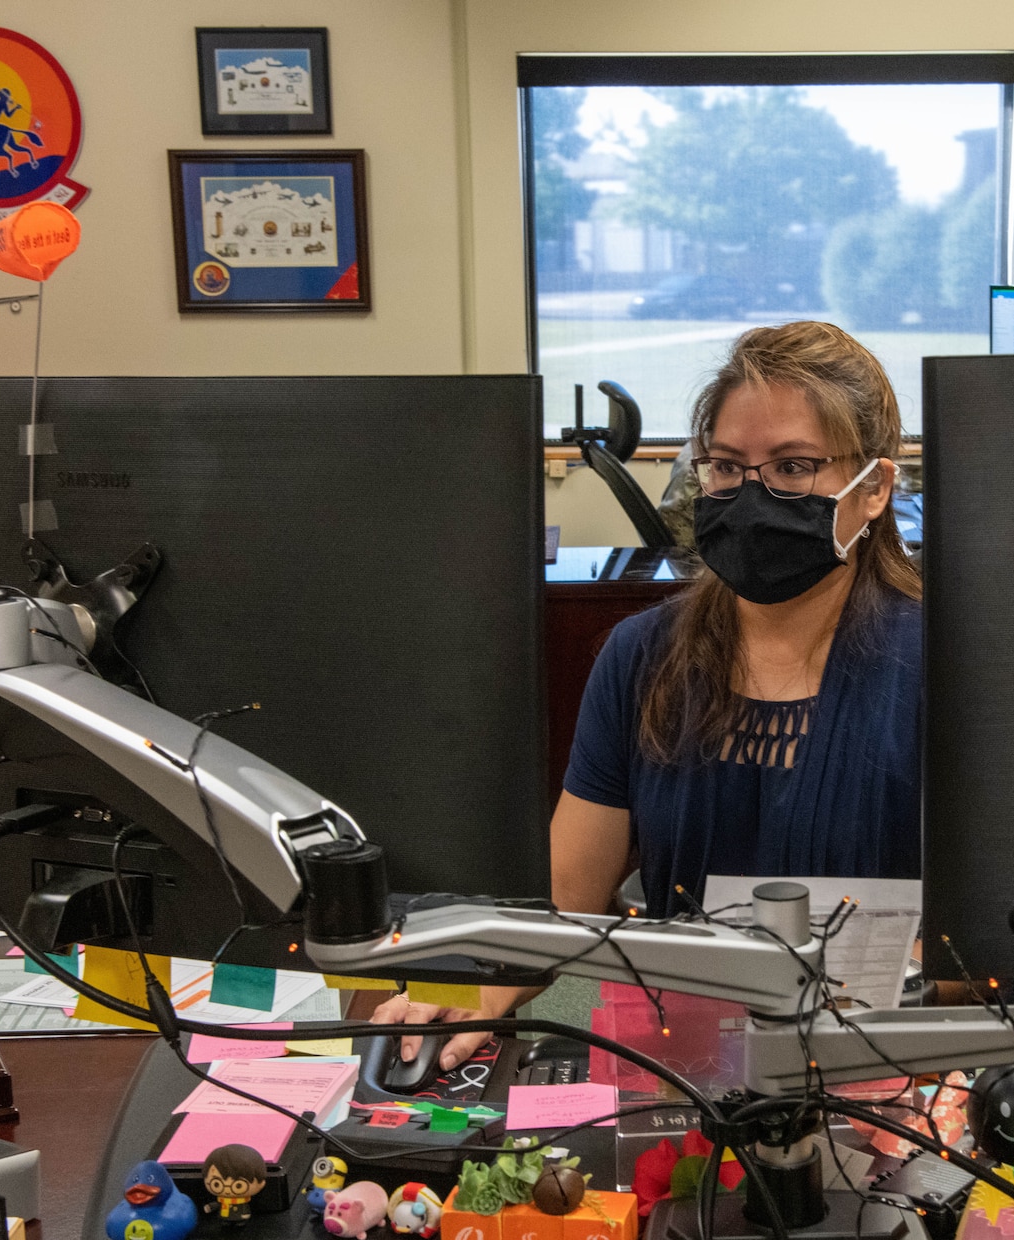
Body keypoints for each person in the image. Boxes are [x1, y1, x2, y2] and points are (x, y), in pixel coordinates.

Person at [373, 321, 921, 1069]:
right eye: (727, 467)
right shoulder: (642, 656)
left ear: (874, 489)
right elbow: (567, 897)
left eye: (793, 467)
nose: (753, 494)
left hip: (886, 1069)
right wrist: (475, 989)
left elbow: (984, 940)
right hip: (686, 1072)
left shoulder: (938, 666)